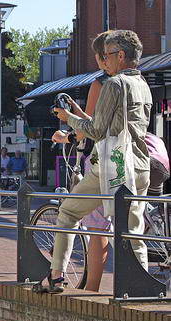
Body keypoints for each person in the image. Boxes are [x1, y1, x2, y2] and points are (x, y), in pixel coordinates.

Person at [43, 30, 152, 294]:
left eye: (108, 55)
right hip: (140, 165)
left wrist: (68, 117)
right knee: (133, 233)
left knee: (68, 213)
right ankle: (142, 289)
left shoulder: (114, 84)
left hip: (114, 166)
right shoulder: (143, 84)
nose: (105, 60)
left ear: (121, 55)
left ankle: (56, 277)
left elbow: (97, 130)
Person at [52, 30, 113, 291]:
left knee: (94, 226)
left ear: (101, 57)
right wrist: (77, 112)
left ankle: (89, 290)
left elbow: (88, 130)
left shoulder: (101, 84)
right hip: (138, 160)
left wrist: (65, 134)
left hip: (105, 161)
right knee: (130, 229)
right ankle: (138, 290)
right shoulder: (136, 81)